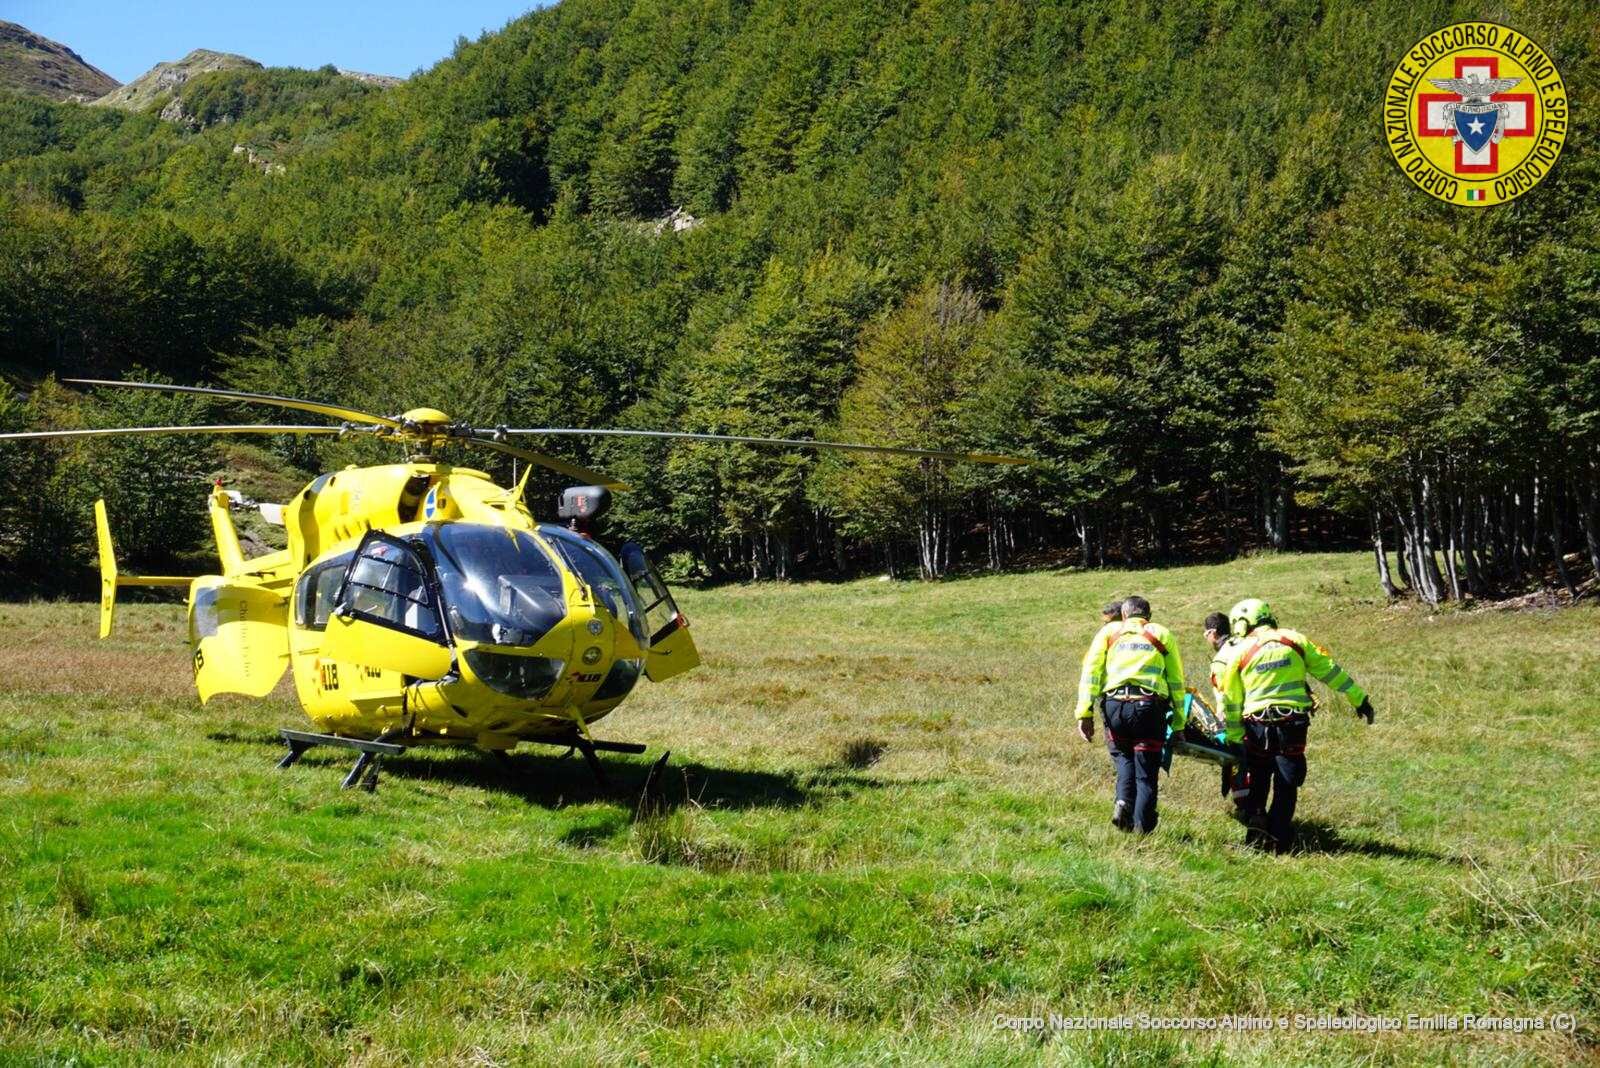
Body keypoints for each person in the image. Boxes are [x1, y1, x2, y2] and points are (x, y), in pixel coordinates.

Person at [1215, 598, 1374, 853]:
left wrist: (1234, 736)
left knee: (1257, 778)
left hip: (1256, 727)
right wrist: (1359, 699)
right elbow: (1330, 671)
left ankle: (1255, 833)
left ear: (1242, 624)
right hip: (1292, 725)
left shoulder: (1238, 652)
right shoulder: (1296, 640)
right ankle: (1279, 839)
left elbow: (1231, 699)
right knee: (1287, 783)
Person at [1075, 596, 1186, 834]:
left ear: (1124, 615)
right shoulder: (1161, 634)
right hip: (1148, 708)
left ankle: (1123, 801)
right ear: (1148, 616)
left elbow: (1091, 673)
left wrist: (1084, 712)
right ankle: (1142, 830)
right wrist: (1179, 722)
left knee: (1124, 758)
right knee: (1146, 772)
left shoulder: (1109, 633)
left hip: (1115, 706)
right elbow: (1176, 681)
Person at [1203, 611, 1251, 810]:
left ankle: (1246, 808)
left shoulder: (1221, 659)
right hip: (1261, 714)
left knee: (1239, 764)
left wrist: (1224, 725)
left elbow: (1224, 698)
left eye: (1205, 634)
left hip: (1239, 722)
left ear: (1213, 633)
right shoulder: (1246, 645)